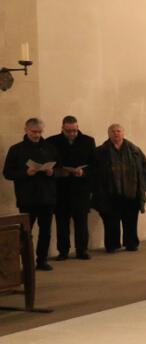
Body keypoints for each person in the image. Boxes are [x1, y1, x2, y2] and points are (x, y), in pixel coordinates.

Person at [3, 118, 58, 270]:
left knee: (46, 230)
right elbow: (7, 173)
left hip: (47, 196)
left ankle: (42, 260)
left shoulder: (49, 148)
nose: (37, 135)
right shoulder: (16, 149)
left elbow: (59, 170)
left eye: (40, 132)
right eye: (34, 132)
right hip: (27, 197)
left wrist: (52, 171)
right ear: (26, 130)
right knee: (26, 232)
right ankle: (26, 261)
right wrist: (26, 173)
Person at [92, 123, 146, 253]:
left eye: (118, 131)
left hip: (131, 193)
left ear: (123, 133)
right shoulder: (101, 152)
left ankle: (131, 243)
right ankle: (112, 245)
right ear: (108, 134)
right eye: (113, 131)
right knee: (110, 222)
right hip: (110, 194)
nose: (116, 133)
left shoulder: (135, 150)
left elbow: (144, 169)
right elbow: (94, 173)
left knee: (130, 221)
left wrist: (144, 186)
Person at [47, 116, 96, 261]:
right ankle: (63, 251)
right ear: (62, 128)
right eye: (68, 131)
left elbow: (95, 165)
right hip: (60, 188)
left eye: (74, 130)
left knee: (81, 221)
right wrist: (58, 171)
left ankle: (82, 250)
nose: (72, 134)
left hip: (81, 188)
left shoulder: (88, 141)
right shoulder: (52, 141)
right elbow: (49, 163)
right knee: (62, 222)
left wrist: (83, 172)